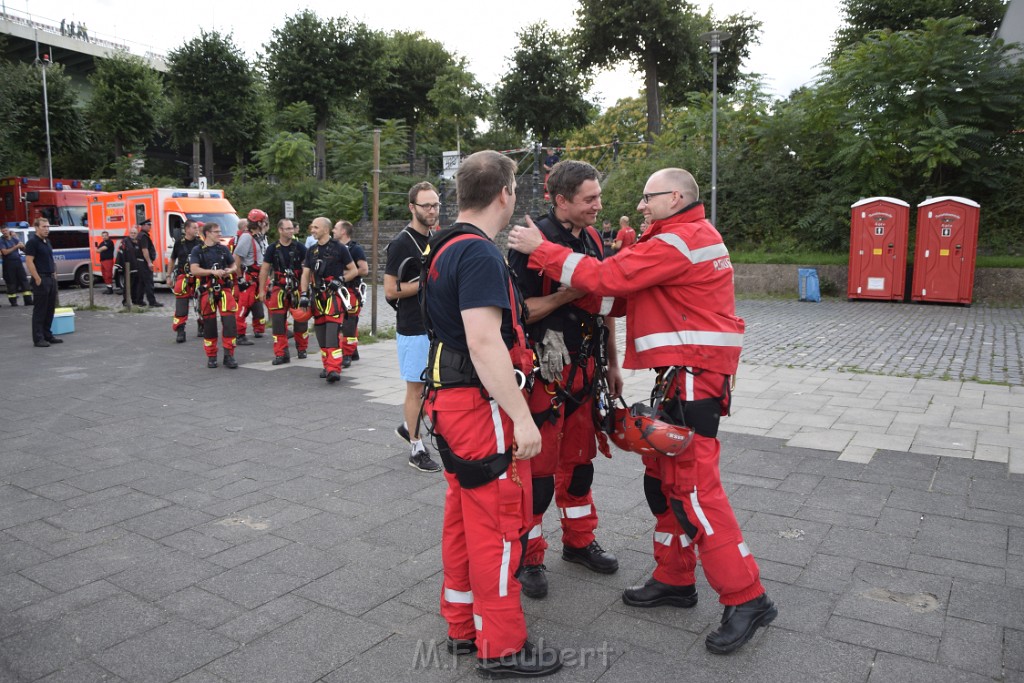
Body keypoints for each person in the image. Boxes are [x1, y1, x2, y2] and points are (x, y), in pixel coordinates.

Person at [507, 167, 776, 655]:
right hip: (683, 376)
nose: (640, 205)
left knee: (694, 491)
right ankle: (674, 578)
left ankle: (747, 596)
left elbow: (612, 278)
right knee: (664, 480)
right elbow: (619, 296)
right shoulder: (679, 236)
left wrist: (542, 252)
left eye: (648, 198)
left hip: (693, 377)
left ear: (674, 197)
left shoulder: (679, 240)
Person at [422, 149, 561, 679]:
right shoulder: (479, 254)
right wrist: (522, 418)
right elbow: (484, 342)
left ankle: (462, 624)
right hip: (480, 407)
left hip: (452, 404)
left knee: (462, 516)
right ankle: (500, 646)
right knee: (500, 525)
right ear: (507, 194)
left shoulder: (444, 245)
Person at [507, 160, 623, 600]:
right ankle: (530, 555)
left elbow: (605, 305)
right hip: (546, 372)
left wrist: (612, 365)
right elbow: (519, 313)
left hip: (587, 368)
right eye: (589, 199)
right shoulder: (529, 242)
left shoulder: (593, 238)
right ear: (561, 201)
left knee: (579, 464)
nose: (598, 205)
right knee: (538, 472)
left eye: (598, 196)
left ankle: (578, 541)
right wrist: (566, 295)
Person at [384, 182, 443, 473]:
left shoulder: (434, 237)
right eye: (426, 206)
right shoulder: (401, 243)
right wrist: (428, 280)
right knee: (416, 389)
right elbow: (390, 291)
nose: (432, 210)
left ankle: (411, 426)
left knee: (433, 387)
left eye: (435, 205)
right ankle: (416, 447)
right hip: (412, 327)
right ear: (412, 208)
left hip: (433, 326)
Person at [299, 217, 358, 383]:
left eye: (316, 227)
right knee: (321, 335)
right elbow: (305, 274)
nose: (312, 230)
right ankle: (327, 365)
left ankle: (334, 368)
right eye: (312, 227)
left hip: (333, 296)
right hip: (317, 297)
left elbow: (353, 270)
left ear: (326, 229)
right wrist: (304, 295)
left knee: (332, 333)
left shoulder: (340, 248)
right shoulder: (311, 250)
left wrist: (340, 279)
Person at [258, 218, 310, 365]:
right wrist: (261, 290)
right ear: (280, 230)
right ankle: (281, 354)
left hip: (297, 288)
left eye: (292, 228)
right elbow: (265, 270)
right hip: (279, 288)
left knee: (301, 320)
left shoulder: (300, 247)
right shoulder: (272, 249)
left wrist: (308, 288)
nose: (291, 231)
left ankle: (302, 348)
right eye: (287, 229)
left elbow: (308, 268)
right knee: (278, 323)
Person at [189, 223, 240, 369]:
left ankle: (229, 355)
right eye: (216, 232)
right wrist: (212, 272)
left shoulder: (223, 249)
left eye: (219, 231)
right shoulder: (197, 250)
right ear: (207, 233)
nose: (219, 234)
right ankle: (211, 356)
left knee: (230, 323)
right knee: (209, 325)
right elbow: (194, 270)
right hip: (207, 291)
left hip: (224, 290)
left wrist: (229, 271)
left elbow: (234, 266)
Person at [333, 219, 367, 367]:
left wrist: (345, 274)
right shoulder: (333, 248)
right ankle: (352, 351)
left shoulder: (355, 249)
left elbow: (364, 270)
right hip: (336, 290)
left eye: (335, 228)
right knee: (339, 323)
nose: (333, 231)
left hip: (350, 291)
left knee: (349, 323)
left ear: (343, 232)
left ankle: (347, 354)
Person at [24, 218, 62, 347]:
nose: (47, 229)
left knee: (50, 309)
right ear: (36, 227)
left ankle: (47, 334)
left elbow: (50, 259)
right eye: (44, 227)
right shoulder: (32, 242)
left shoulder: (47, 241)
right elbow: (29, 261)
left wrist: (54, 274)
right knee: (40, 310)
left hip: (50, 278)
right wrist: (37, 278)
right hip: (41, 279)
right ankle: (38, 338)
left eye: (48, 227)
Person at [233, 210, 269, 346]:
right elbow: (237, 258)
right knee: (244, 306)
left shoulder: (258, 236)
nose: (266, 223)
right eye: (264, 221)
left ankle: (278, 328)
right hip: (250, 277)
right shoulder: (247, 237)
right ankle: (239, 333)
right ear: (258, 222)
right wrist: (240, 278)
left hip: (259, 276)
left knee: (268, 300)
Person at [168, 220, 202, 343]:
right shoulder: (179, 243)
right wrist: (168, 276)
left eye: (197, 228)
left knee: (202, 303)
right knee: (181, 304)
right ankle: (180, 330)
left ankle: (201, 325)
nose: (197, 230)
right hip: (183, 276)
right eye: (194, 228)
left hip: (198, 276)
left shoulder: (200, 243)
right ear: (187, 229)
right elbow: (172, 260)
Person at [1, 224, 32, 306]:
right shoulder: (2, 241)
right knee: (11, 282)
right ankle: (13, 302)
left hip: (18, 262)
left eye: (6, 230)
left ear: (9, 230)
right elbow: (5, 252)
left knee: (24, 280)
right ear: (1, 232)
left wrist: (22, 246)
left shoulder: (14, 239)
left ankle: (28, 301)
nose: (5, 232)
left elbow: (23, 249)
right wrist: (16, 246)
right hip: (8, 264)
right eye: (3, 231)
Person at [135, 218, 163, 307]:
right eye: (148, 225)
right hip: (144, 262)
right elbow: (144, 250)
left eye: (150, 224)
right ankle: (152, 302)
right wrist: (149, 262)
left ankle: (139, 300)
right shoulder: (143, 236)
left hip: (140, 262)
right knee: (148, 282)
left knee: (141, 283)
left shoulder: (141, 235)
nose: (150, 226)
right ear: (143, 226)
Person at [119, 226, 141, 307]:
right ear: (129, 233)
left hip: (137, 268)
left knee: (136, 286)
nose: (133, 234)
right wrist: (122, 267)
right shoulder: (125, 241)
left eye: (134, 233)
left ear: (137, 234)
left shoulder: (138, 242)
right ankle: (125, 301)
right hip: (128, 268)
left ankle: (135, 300)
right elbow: (121, 254)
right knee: (127, 286)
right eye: (132, 233)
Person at [95, 230, 115, 294]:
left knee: (108, 274)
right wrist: (98, 249)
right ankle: (108, 288)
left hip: (108, 260)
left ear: (108, 236)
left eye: (105, 236)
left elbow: (103, 248)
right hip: (103, 261)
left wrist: (99, 249)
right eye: (103, 236)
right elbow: (97, 250)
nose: (104, 237)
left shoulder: (110, 242)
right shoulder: (102, 243)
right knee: (104, 275)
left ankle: (110, 289)